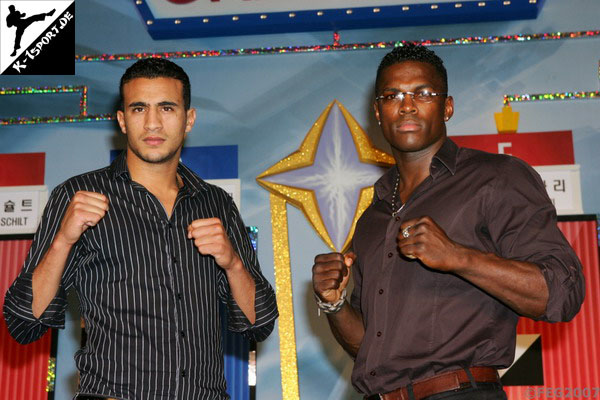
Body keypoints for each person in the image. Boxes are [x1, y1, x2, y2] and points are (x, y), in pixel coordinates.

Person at [312, 44, 585, 400]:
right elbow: (372, 349)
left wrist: (459, 257)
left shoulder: (496, 178)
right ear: (378, 113)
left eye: (423, 93)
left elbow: (563, 293)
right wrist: (334, 304)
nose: (407, 104)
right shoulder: (373, 218)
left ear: (448, 106)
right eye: (393, 95)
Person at [4, 58, 278, 400]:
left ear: (188, 119)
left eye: (166, 108)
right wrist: (62, 240)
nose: (152, 123)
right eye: (138, 109)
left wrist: (233, 263)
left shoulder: (216, 203)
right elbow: (23, 323)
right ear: (122, 120)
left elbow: (260, 322)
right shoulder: (78, 196)